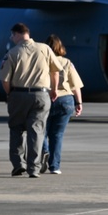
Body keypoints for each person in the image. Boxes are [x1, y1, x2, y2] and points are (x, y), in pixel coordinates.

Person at [0, 23, 60, 178]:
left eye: (12, 35)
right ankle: (34, 168)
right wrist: (54, 89)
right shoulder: (45, 49)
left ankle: (18, 165)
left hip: (19, 94)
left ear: (17, 34)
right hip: (41, 95)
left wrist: (10, 93)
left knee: (16, 129)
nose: (11, 39)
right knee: (36, 131)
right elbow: (55, 71)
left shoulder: (12, 52)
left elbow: (4, 79)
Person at [40, 34, 84, 174]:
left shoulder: (42, 62)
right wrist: (79, 102)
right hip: (66, 100)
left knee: (41, 132)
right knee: (57, 135)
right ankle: (55, 167)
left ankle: (44, 151)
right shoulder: (67, 62)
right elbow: (75, 85)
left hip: (47, 97)